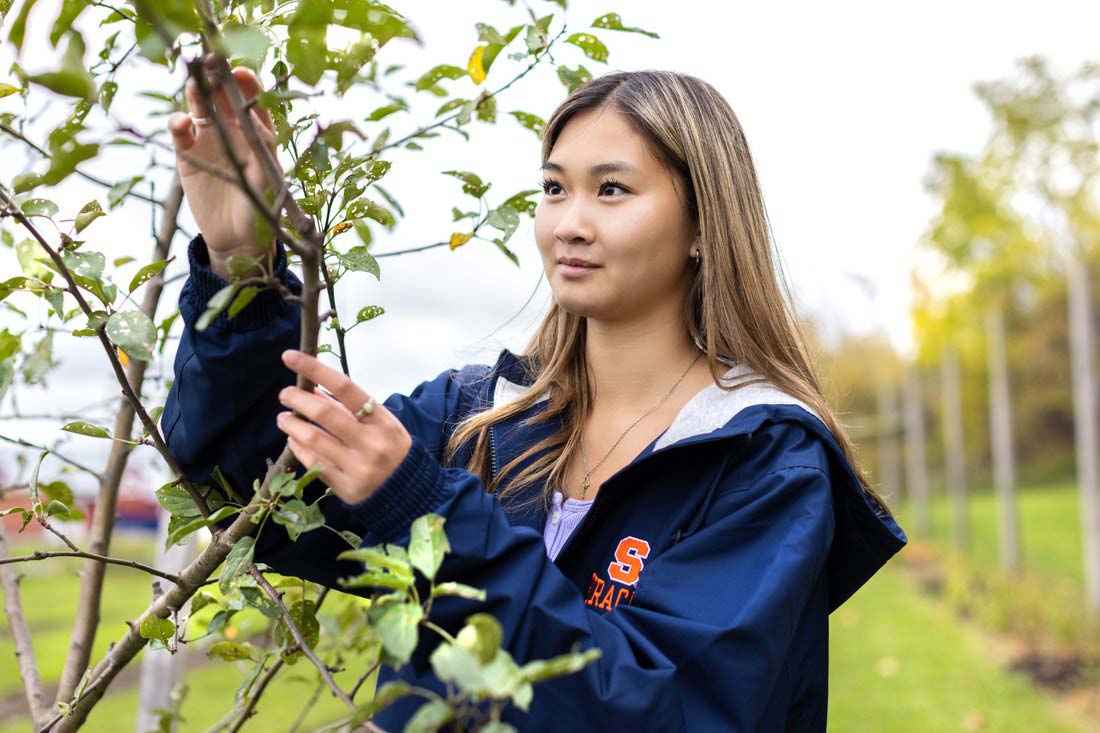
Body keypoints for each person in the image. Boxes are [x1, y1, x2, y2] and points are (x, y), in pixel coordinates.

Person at [162, 60, 907, 732]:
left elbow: (663, 705)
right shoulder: (479, 417)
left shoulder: (762, 460)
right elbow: (247, 497)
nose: (569, 223)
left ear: (702, 226)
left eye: (611, 189)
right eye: (555, 188)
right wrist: (241, 268)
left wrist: (426, 513)